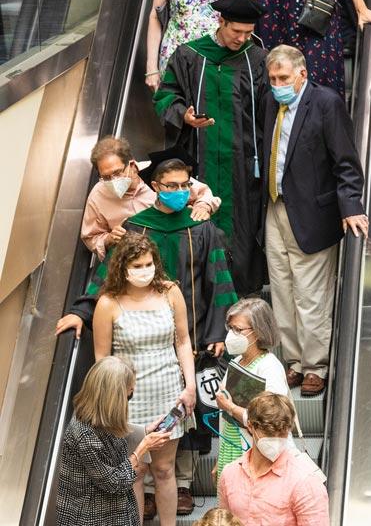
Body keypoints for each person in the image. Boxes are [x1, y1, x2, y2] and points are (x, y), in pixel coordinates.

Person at [57, 149, 238, 517]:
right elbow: (106, 278)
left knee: (184, 425)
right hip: (139, 352)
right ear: (155, 187)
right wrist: (80, 312)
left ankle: (182, 489)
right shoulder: (138, 228)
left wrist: (219, 327)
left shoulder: (202, 227)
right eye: (171, 186)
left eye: (185, 186)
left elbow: (219, 279)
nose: (179, 191)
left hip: (193, 326)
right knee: (142, 460)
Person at [260, 44, 367, 396]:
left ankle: (315, 366)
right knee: (282, 289)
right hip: (275, 207)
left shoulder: (326, 103)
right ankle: (292, 362)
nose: (277, 84)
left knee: (311, 294)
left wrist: (351, 205)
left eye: (283, 78)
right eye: (273, 78)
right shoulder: (269, 103)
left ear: (302, 74)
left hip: (313, 212)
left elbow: (346, 162)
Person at [153, 0, 269, 295]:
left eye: (248, 32)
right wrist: (184, 116)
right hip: (200, 161)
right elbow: (166, 96)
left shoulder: (256, 58)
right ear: (221, 22)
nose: (242, 39)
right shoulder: (189, 55)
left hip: (243, 167)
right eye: (236, 32)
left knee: (242, 235)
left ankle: (241, 300)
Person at [92, 234, 196, 526]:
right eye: (137, 264)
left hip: (168, 393)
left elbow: (183, 341)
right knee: (134, 471)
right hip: (128, 400)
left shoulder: (170, 292)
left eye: (149, 263)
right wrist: (110, 406)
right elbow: (102, 359)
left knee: (164, 470)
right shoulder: (108, 304)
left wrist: (190, 386)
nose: (145, 269)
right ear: (123, 267)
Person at [56, 356, 171, 526]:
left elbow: (115, 438)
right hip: (91, 517)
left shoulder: (97, 417)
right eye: (127, 395)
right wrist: (141, 450)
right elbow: (113, 482)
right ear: (112, 397)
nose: (128, 399)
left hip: (114, 512)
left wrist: (145, 432)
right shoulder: (84, 435)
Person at [81, 135, 220, 260]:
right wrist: (108, 239)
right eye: (106, 177)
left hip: (176, 251)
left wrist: (203, 206)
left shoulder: (159, 173)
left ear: (132, 165)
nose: (112, 180)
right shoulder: (98, 195)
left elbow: (203, 193)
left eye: (117, 173)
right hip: (133, 263)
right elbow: (91, 237)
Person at [218, 392, 330, 525]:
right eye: (269, 432)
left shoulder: (305, 482)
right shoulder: (229, 474)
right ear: (250, 426)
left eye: (282, 432)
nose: (275, 439)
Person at [215, 298, 291, 477]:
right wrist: (220, 460)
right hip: (230, 450)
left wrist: (230, 408)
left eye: (238, 330)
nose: (232, 335)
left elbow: (273, 421)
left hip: (259, 458)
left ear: (258, 332)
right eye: (230, 328)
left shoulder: (270, 367)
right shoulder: (236, 362)